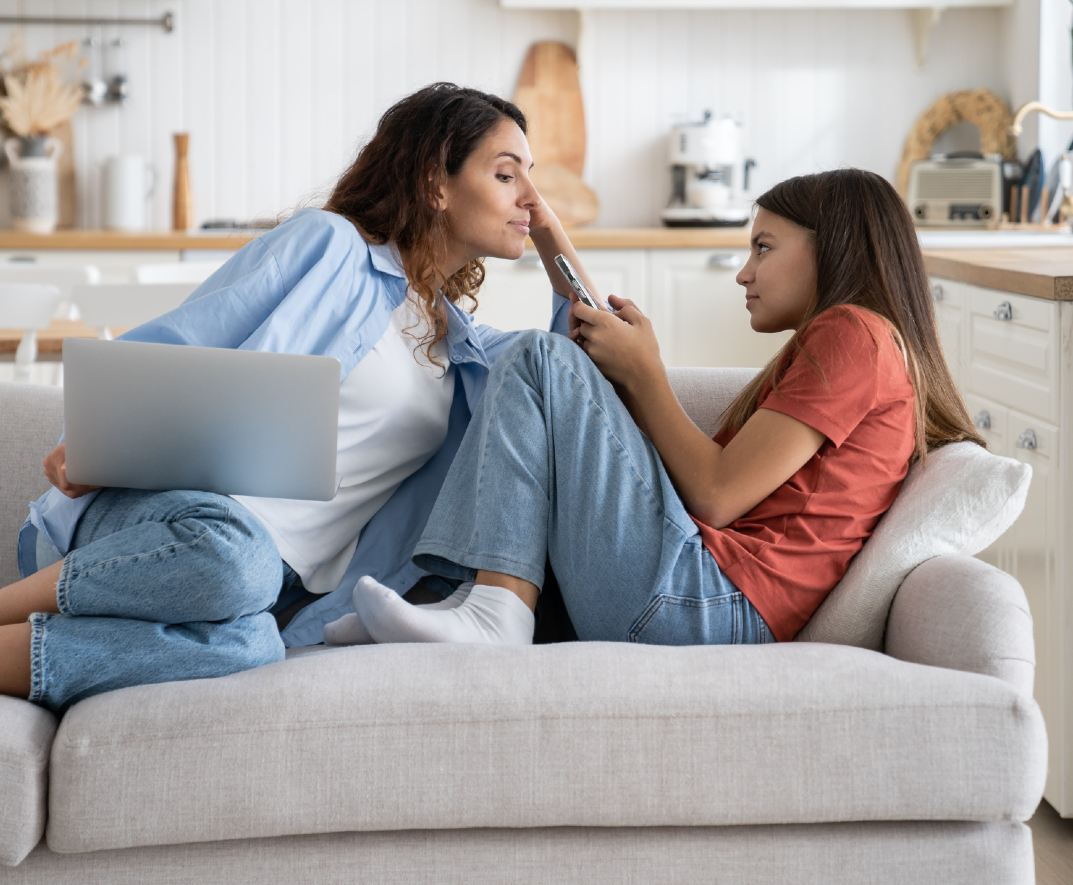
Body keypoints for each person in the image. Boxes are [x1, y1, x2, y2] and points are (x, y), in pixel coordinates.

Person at [0, 82, 596, 720]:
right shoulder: (332, 248)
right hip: (172, 521)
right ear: (436, 183)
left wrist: (558, 244)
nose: (532, 197)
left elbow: (570, 370)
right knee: (234, 556)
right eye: (507, 173)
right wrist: (97, 436)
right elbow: (187, 339)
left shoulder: (470, 355)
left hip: (270, 592)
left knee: (255, 640)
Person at [337, 168, 984, 649]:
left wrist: (647, 375)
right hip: (700, 593)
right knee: (556, 365)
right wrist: (548, 231)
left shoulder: (855, 335)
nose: (743, 272)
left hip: (708, 605)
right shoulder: (849, 345)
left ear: (834, 246)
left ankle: (488, 608)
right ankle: (462, 599)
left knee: (540, 357)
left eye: (764, 247)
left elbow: (715, 494)